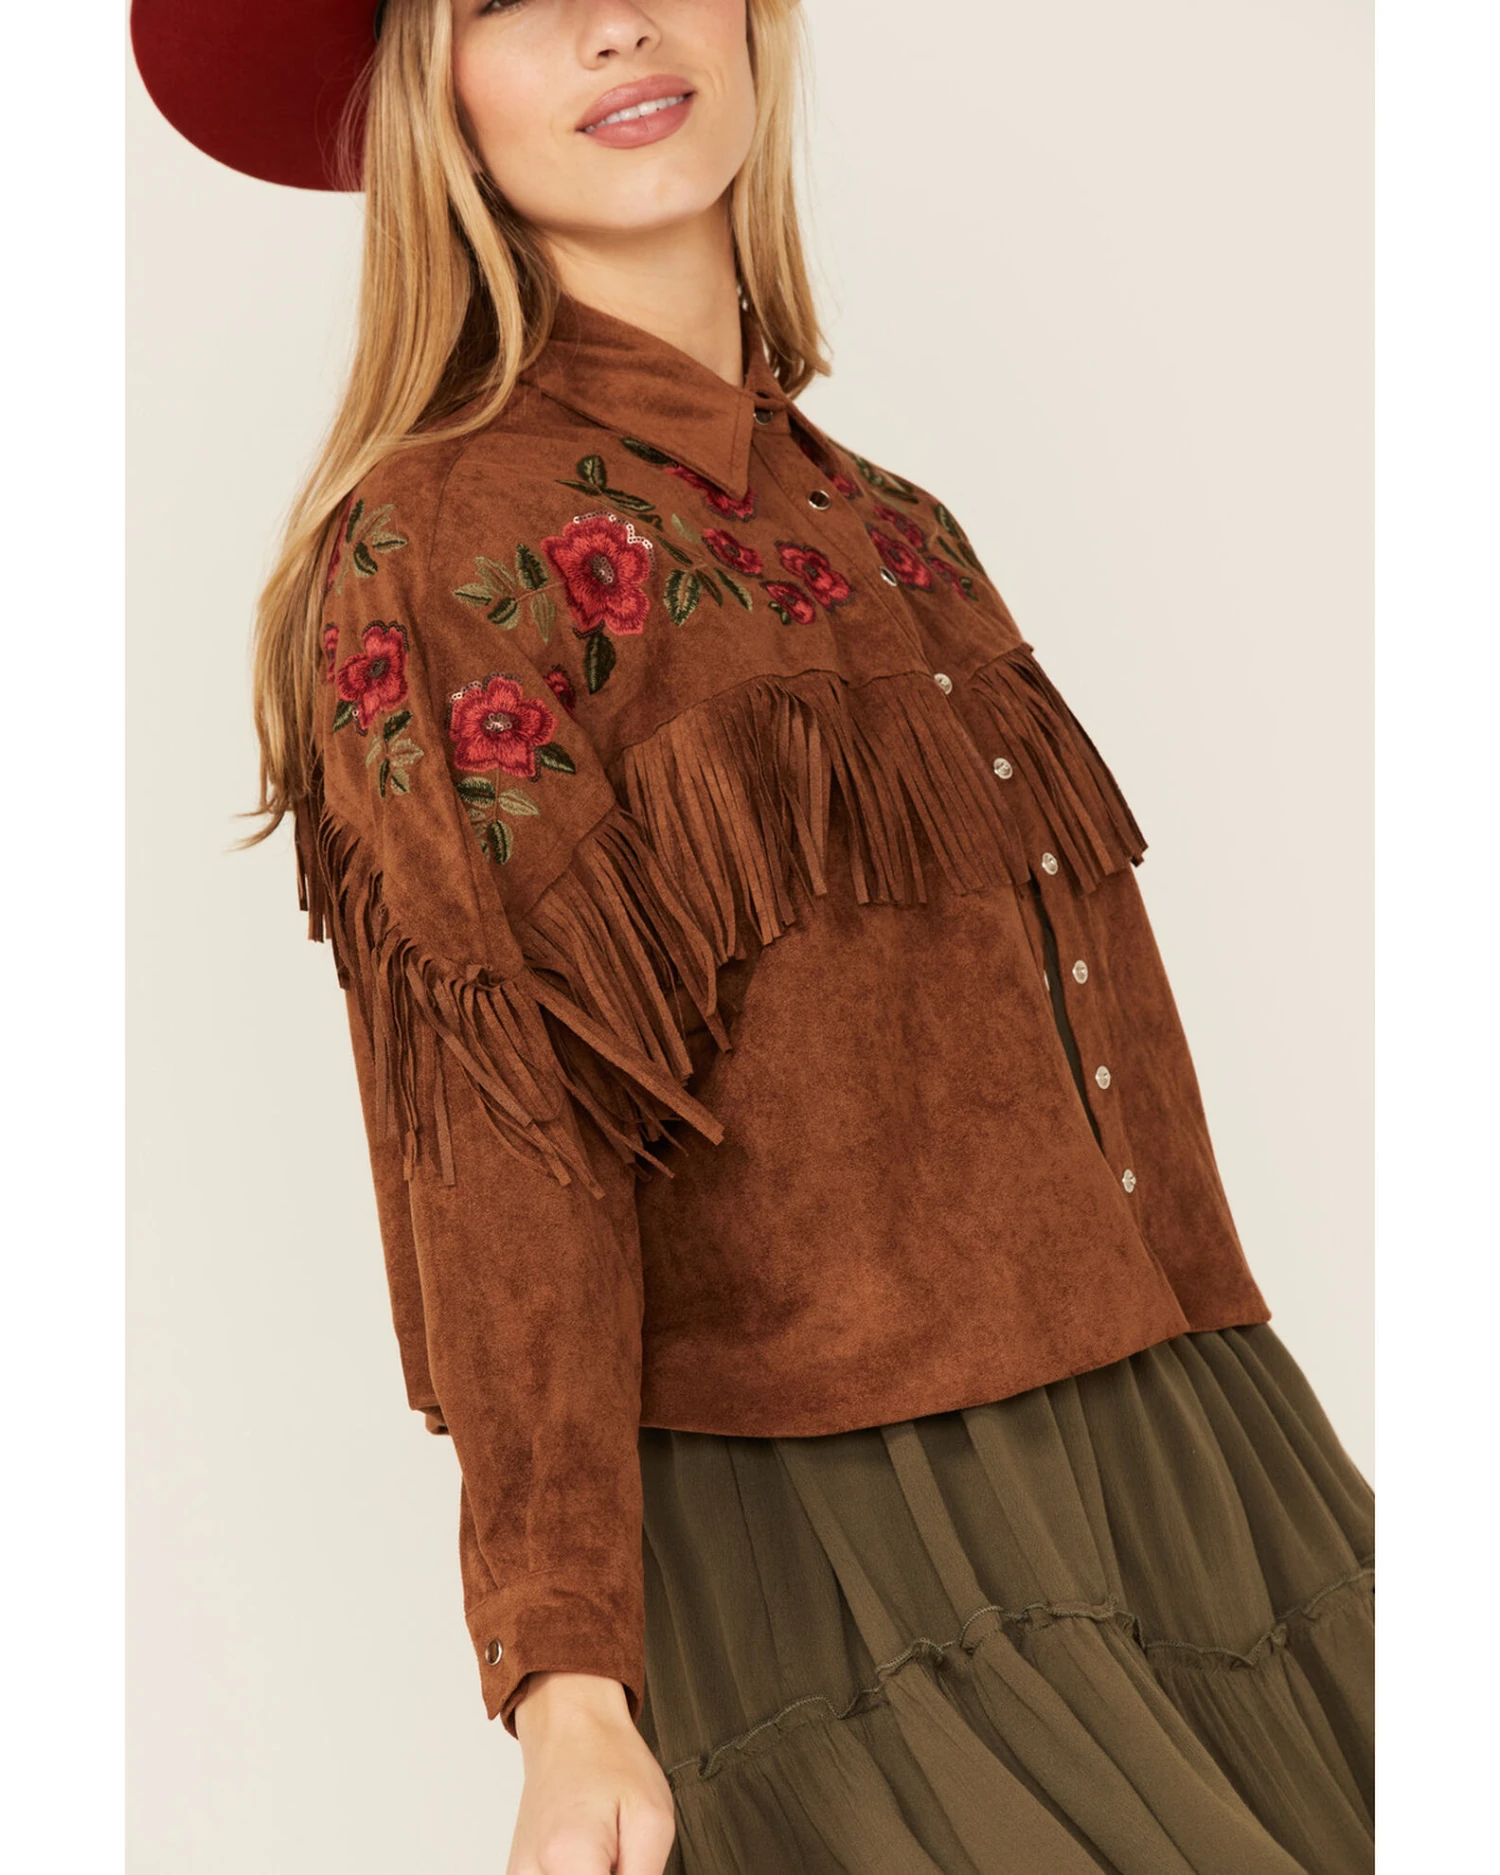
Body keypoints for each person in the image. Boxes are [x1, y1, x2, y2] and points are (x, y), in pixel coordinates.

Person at [132, 3, 1375, 1871]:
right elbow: (505, 1134)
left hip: (1189, 1454)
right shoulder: (437, 546)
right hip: (846, 1532)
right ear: (432, 101)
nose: (615, 22)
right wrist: (564, 1678)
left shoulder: (898, 526)